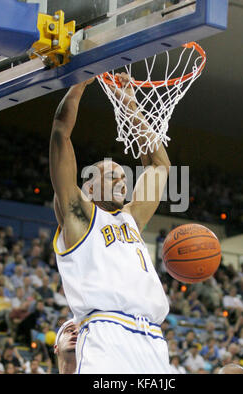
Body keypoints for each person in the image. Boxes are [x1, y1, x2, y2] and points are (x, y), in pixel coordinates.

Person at [49, 74, 171, 374]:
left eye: (122, 175)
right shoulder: (79, 216)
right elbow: (60, 134)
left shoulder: (131, 218)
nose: (121, 179)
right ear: (89, 188)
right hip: (107, 335)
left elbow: (159, 165)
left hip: (153, 340)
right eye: (111, 175)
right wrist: (79, 82)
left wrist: (130, 104)